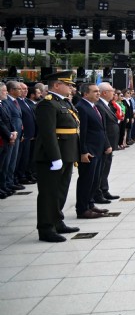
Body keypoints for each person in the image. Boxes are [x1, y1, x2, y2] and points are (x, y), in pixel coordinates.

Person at [34, 72, 81, 242]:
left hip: (67, 153)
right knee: (49, 193)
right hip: (52, 156)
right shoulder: (47, 104)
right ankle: (46, 228)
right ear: (56, 85)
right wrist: (55, 157)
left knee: (60, 191)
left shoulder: (62, 102)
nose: (71, 87)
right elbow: (48, 134)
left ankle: (57, 221)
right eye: (67, 84)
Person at [75, 84, 110, 220]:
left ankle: (90, 204)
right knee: (86, 180)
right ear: (85, 94)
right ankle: (82, 209)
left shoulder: (94, 107)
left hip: (98, 149)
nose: (98, 94)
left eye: (98, 91)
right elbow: (82, 132)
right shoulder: (81, 108)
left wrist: (106, 145)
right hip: (89, 151)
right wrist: (83, 151)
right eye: (95, 91)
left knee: (95, 180)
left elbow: (101, 129)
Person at [95, 83, 120, 203]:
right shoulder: (99, 105)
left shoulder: (107, 104)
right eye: (112, 91)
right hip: (105, 143)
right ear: (105, 92)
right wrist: (107, 144)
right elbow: (102, 127)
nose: (114, 93)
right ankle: (99, 192)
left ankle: (104, 190)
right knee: (102, 168)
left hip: (110, 142)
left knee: (106, 167)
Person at [0, 82, 19, 199]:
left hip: (7, 137)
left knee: (4, 164)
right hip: (3, 138)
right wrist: (9, 135)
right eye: (3, 91)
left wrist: (13, 132)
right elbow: (0, 123)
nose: (6, 92)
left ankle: (3, 186)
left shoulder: (3, 104)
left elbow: (9, 119)